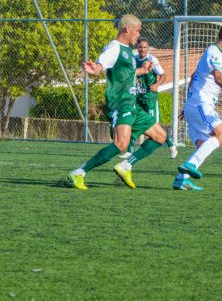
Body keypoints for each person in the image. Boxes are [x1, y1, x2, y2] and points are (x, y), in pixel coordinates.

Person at [69, 14, 168, 190]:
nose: (139, 35)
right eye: (137, 31)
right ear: (127, 29)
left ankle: (126, 165)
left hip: (133, 104)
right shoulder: (114, 48)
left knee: (160, 136)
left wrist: (143, 70)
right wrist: (96, 68)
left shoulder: (128, 51)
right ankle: (79, 172)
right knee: (121, 144)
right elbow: (101, 65)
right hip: (121, 104)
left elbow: (127, 74)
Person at [174, 23, 222, 191]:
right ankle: (190, 165)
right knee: (221, 136)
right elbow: (218, 78)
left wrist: (188, 104)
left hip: (195, 104)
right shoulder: (215, 52)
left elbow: (194, 77)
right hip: (202, 104)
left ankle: (181, 180)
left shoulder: (211, 53)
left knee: (203, 144)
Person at [133, 36, 177, 158]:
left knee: (153, 125)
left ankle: (171, 144)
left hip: (150, 98)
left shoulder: (152, 60)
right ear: (137, 48)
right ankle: (129, 150)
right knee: (134, 121)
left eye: (145, 47)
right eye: (140, 47)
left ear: (148, 48)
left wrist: (156, 85)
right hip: (138, 98)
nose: (142, 49)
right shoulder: (134, 59)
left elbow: (163, 75)